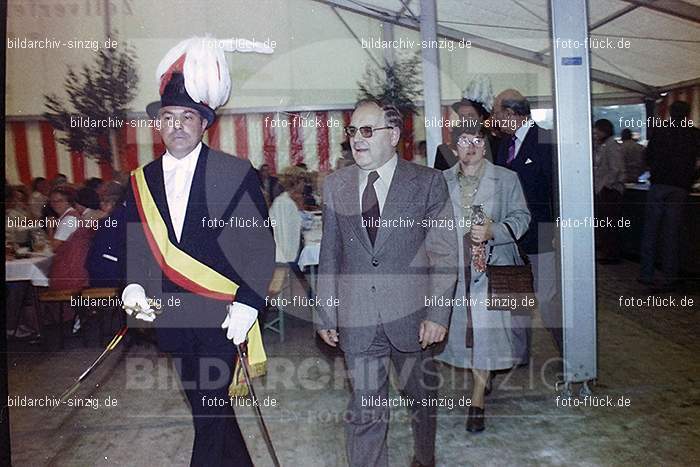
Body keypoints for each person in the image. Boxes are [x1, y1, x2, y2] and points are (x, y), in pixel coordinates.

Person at [120, 36, 275, 467]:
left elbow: (259, 248)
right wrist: (134, 284)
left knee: (207, 415)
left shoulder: (233, 172)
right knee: (210, 411)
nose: (177, 126)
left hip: (221, 316)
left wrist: (247, 305)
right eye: (168, 117)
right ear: (158, 123)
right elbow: (139, 243)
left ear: (204, 122)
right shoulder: (141, 180)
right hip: (171, 317)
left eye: (187, 116)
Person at [315, 99, 458, 467]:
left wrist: (438, 315)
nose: (357, 140)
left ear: (393, 135)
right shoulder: (336, 186)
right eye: (352, 131)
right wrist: (325, 313)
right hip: (358, 319)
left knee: (421, 402)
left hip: (414, 320)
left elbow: (443, 254)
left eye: (367, 131)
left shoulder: (427, 183)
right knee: (366, 411)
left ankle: (425, 458)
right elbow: (329, 254)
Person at [436, 124, 530, 432]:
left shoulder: (506, 179)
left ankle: (477, 402)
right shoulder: (440, 181)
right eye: (464, 141)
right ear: (454, 147)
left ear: (485, 144)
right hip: (455, 271)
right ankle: (482, 380)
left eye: (478, 140)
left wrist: (494, 231)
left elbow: (522, 217)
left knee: (488, 335)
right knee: (464, 335)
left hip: (493, 268)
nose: (471, 146)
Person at [492, 89, 559, 357]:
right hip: (510, 235)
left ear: (509, 113)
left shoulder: (545, 140)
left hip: (541, 232)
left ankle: (573, 356)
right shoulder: (502, 146)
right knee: (515, 298)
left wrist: (557, 229)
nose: (494, 119)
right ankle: (517, 354)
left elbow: (556, 189)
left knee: (547, 300)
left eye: (497, 113)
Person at [639, 101, 700, 291]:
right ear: (688, 114)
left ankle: (646, 274)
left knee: (651, 231)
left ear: (670, 113)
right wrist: (692, 177)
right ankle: (669, 276)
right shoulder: (694, 134)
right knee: (671, 233)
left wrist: (655, 170)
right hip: (680, 187)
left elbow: (647, 157)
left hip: (658, 184)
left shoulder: (659, 131)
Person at [593, 119, 626, 264]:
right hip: (606, 189)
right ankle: (609, 252)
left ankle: (611, 254)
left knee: (609, 224)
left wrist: (606, 186)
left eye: (597, 130)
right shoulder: (604, 145)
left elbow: (616, 168)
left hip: (610, 190)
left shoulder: (611, 146)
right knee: (607, 224)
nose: (595, 133)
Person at [435, 97, 495, 170]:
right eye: (462, 116)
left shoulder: (494, 145)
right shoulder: (444, 151)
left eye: (470, 115)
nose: (466, 120)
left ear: (481, 118)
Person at [48, 185, 80, 250]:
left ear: (68, 202)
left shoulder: (68, 220)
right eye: (53, 201)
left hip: (71, 258)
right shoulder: (72, 214)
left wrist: (50, 228)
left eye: (60, 201)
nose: (56, 204)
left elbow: (54, 247)